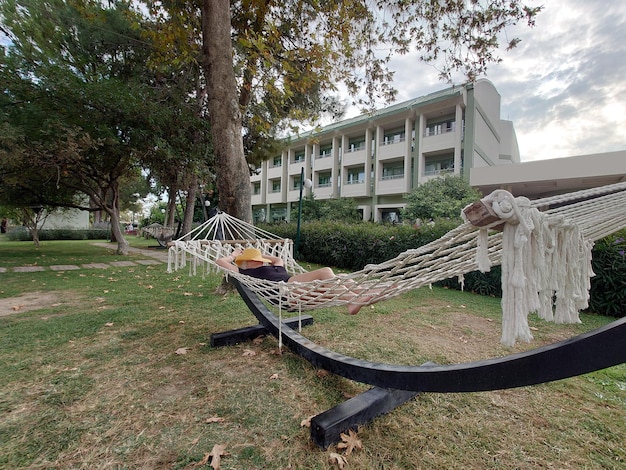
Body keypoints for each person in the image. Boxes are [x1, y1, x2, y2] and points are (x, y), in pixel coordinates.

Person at [216, 247, 371, 314]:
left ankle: (363, 296)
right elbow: (220, 261)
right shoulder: (245, 272)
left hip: (297, 288)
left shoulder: (275, 266)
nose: (259, 261)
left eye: (259, 259)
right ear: (246, 262)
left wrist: (261, 255)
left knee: (342, 277)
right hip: (285, 293)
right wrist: (234, 255)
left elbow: (277, 258)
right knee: (326, 272)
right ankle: (353, 300)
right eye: (254, 259)